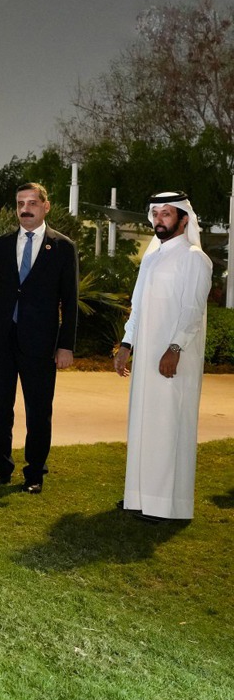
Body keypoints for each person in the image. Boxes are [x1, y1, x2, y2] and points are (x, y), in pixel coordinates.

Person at [0, 183, 78, 494]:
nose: (25, 209)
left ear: (45, 206)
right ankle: (0, 468)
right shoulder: (1, 245)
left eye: (32, 203)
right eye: (20, 203)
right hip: (0, 339)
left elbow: (70, 301)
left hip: (40, 343)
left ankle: (34, 473)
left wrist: (66, 345)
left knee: (38, 411)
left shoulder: (63, 247)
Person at [115, 192, 212, 522]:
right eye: (155, 213)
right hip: (146, 361)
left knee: (169, 427)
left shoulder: (194, 258)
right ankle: (139, 498)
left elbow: (192, 310)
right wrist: (126, 345)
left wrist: (174, 348)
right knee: (144, 425)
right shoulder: (152, 257)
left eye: (166, 213)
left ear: (184, 219)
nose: (159, 219)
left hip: (174, 361)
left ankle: (167, 506)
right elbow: (138, 306)